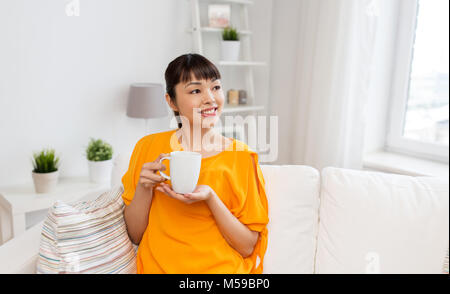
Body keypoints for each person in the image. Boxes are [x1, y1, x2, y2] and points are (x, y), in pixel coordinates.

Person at [121, 53, 269, 274]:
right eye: (195, 91)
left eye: (216, 87)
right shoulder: (148, 147)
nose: (210, 98)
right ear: (171, 101)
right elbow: (136, 235)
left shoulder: (241, 157)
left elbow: (247, 246)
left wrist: (211, 198)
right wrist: (144, 188)